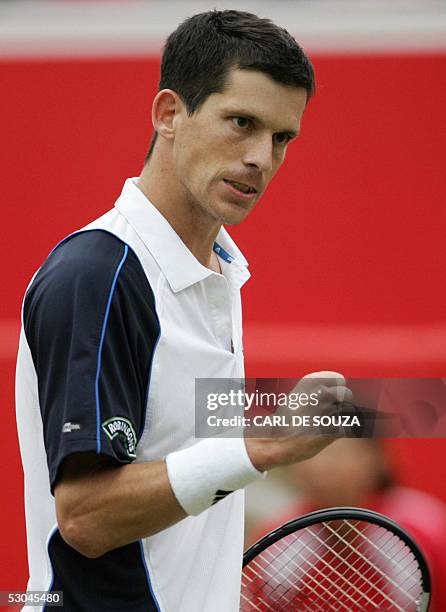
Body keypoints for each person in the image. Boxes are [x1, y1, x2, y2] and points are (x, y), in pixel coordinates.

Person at [15, 10, 350, 611]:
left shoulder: (219, 270)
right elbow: (85, 517)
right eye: (241, 122)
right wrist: (262, 445)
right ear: (169, 114)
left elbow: (178, 455)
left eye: (281, 138)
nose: (261, 158)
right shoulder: (98, 275)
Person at [248, 438, 446, 611]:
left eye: (337, 452)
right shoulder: (274, 541)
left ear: (377, 458)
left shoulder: (430, 530)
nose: (320, 467)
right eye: (312, 453)